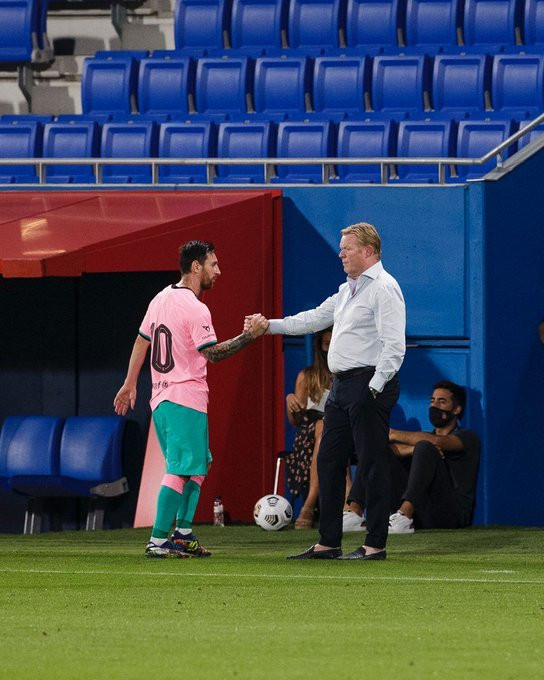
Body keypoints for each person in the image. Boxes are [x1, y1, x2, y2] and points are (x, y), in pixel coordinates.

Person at [251, 222, 406, 560]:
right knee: (328, 461)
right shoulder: (347, 289)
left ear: (367, 251)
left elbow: (395, 346)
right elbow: (310, 320)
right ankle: (329, 542)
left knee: (372, 464)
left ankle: (375, 544)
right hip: (340, 387)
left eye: (346, 248)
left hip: (368, 385)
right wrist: (268, 327)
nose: (340, 253)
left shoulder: (384, 287)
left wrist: (374, 388)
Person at [114, 240, 268, 559]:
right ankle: (158, 540)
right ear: (196, 267)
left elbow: (142, 341)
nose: (218, 271)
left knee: (198, 464)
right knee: (181, 468)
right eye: (213, 264)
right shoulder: (196, 307)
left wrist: (130, 383)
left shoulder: (160, 298)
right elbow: (212, 353)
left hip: (163, 399)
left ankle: (182, 534)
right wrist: (249, 337)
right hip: (183, 396)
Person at [344, 381, 480, 534]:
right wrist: (412, 449)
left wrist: (393, 434)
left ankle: (404, 516)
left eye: (441, 402)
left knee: (425, 446)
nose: (434, 406)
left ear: (456, 409)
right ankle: (354, 512)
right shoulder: (424, 441)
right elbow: (395, 449)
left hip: (451, 515)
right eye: (432, 401)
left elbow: (438, 442)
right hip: (422, 512)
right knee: (379, 451)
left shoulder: (468, 438)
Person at [285, 328, 332, 529]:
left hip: (343, 433)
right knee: (322, 427)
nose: (330, 348)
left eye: (334, 342)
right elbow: (295, 421)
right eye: (326, 343)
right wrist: (290, 401)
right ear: (320, 346)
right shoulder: (308, 376)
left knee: (328, 427)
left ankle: (308, 507)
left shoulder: (351, 377)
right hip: (310, 435)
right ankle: (311, 503)